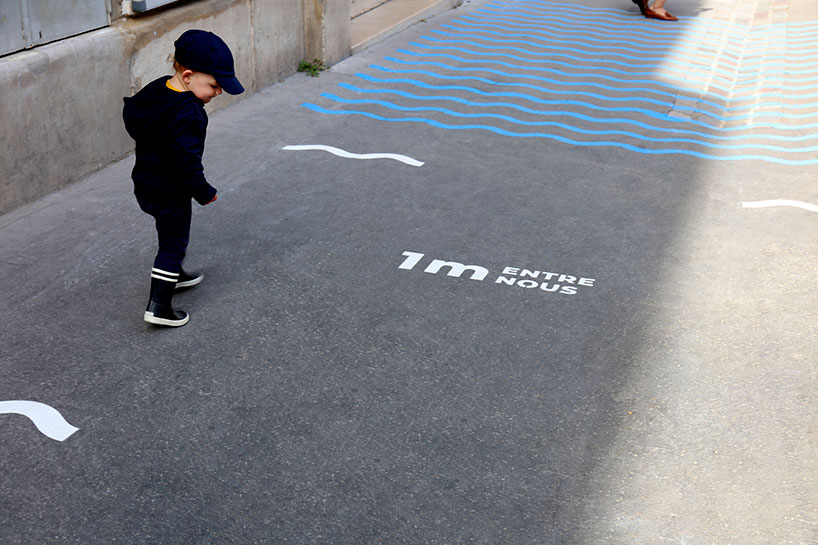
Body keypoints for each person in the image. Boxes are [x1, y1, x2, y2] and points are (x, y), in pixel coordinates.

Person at [122, 30, 244, 327]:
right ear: (188, 75)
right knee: (174, 243)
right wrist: (204, 191)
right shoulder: (189, 114)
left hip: (146, 182)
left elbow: (132, 113)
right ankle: (160, 305)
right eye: (214, 85)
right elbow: (187, 163)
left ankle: (173, 273)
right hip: (171, 189)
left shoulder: (157, 90)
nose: (218, 93)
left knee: (168, 234)